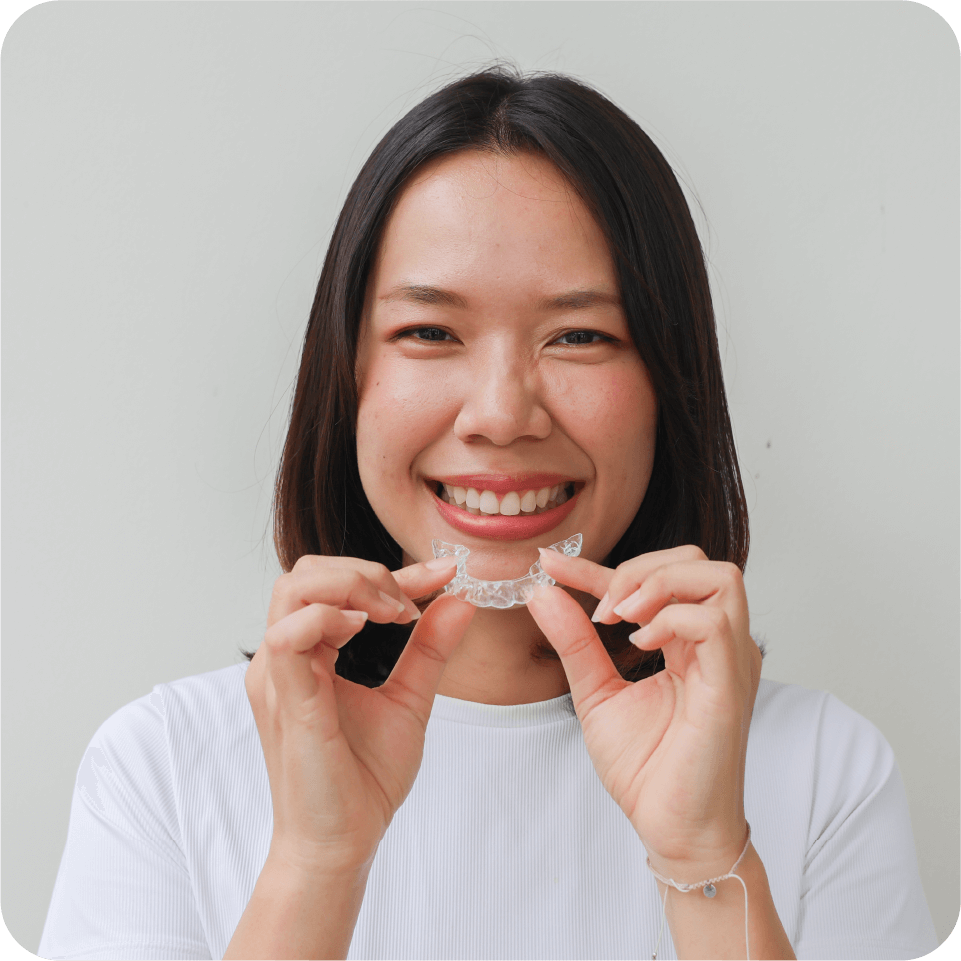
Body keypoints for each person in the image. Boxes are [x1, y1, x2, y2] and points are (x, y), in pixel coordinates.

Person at [39, 67, 938, 961]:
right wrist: (317, 862)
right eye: (429, 332)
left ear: (670, 380)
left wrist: (703, 858)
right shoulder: (158, 765)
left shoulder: (824, 769)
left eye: (579, 334)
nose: (502, 416)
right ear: (346, 378)